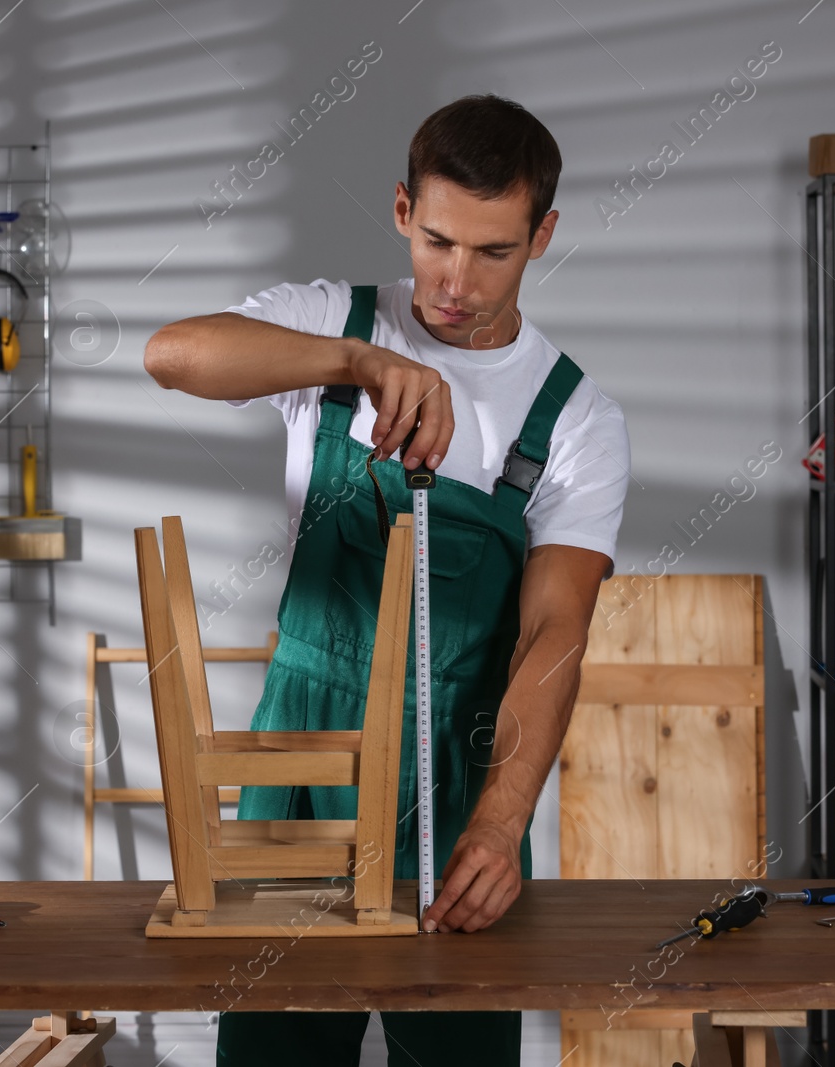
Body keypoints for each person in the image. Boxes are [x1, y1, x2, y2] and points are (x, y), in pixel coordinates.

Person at [144, 93, 629, 1067]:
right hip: (302, 764)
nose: (455, 281)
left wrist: (500, 819)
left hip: (458, 770)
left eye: (493, 251)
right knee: (274, 1048)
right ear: (403, 210)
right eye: (438, 240)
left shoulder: (573, 416)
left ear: (544, 235)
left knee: (454, 1051)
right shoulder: (331, 325)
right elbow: (172, 353)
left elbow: (554, 631)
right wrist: (358, 361)